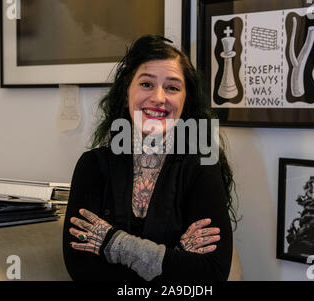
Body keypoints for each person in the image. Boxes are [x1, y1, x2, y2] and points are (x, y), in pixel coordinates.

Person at [62, 35, 238, 281]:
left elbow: (210, 274)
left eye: (173, 87)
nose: (158, 97)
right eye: (146, 84)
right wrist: (175, 256)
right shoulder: (92, 166)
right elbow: (82, 269)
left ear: (185, 102)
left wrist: (112, 243)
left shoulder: (202, 167)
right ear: (126, 93)